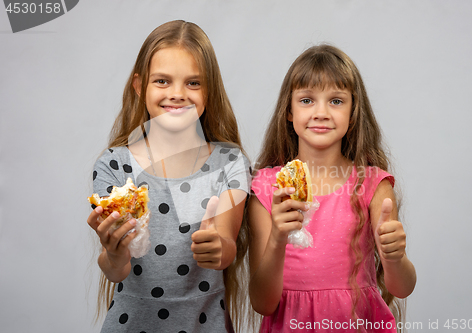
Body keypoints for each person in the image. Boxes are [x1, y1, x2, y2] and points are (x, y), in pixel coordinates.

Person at [87, 20, 252, 333]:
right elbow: (115, 270)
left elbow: (227, 244)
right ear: (140, 86)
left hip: (206, 324)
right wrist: (113, 251)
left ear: (209, 90)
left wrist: (216, 246)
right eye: (162, 81)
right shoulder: (115, 165)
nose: (177, 94)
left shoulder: (230, 163)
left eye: (193, 83)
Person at [248, 44, 416, 332]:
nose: (321, 112)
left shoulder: (373, 186)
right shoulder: (266, 188)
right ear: (288, 110)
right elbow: (262, 303)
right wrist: (278, 237)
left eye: (336, 101)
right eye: (307, 100)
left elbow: (401, 288)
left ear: (353, 114)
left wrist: (395, 257)